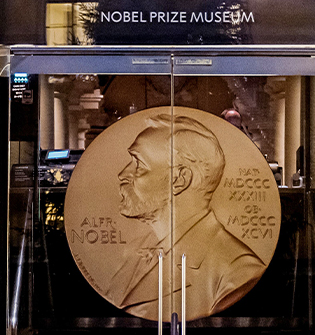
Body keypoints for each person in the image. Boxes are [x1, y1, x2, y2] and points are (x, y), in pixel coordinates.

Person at [106, 112, 267, 320]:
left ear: (180, 179)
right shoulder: (137, 249)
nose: (123, 175)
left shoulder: (238, 272)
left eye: (138, 164)